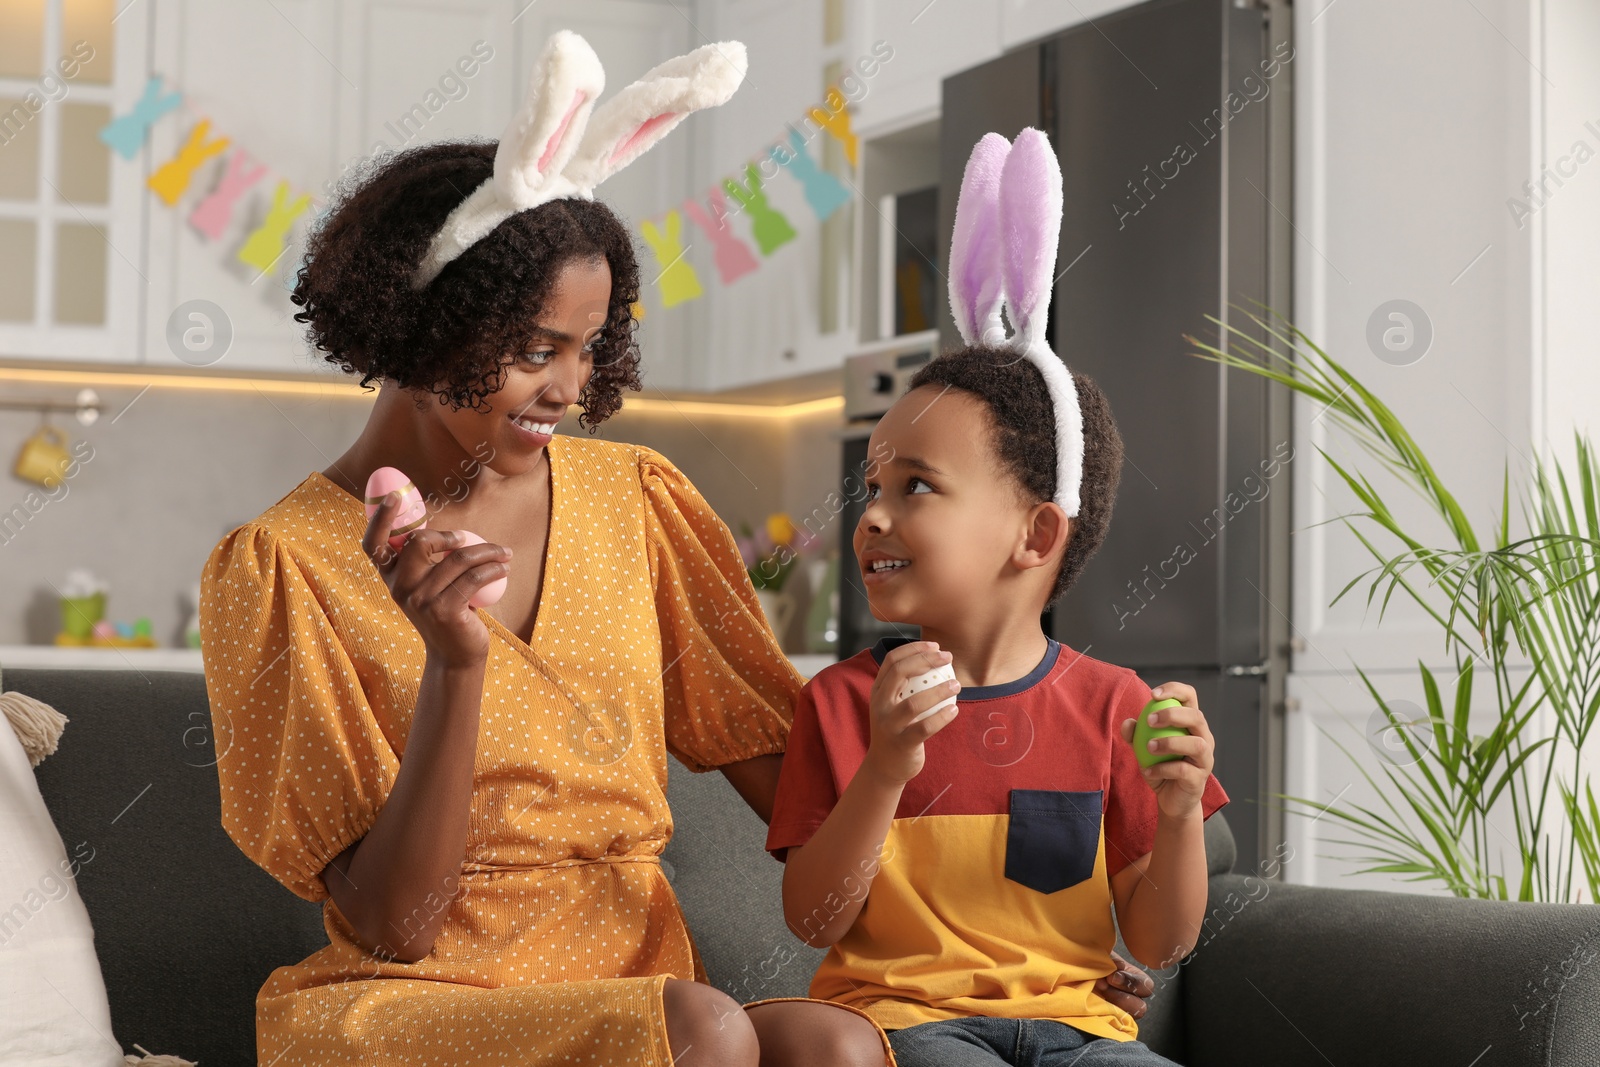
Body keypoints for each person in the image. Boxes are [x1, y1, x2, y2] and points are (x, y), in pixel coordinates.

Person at [197, 31, 908, 1067]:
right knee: (703, 1026)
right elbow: (395, 922)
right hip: (410, 1005)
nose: (571, 389)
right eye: (536, 349)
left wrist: (1021, 928)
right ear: (423, 322)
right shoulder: (284, 565)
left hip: (634, 989)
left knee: (836, 1044)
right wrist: (454, 662)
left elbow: (789, 779)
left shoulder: (638, 500)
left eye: (589, 347)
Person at [763, 129, 1229, 1067]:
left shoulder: (1114, 708)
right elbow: (815, 920)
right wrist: (888, 765)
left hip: (1078, 1030)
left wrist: (1178, 816)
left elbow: (1161, 942)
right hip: (903, 1023)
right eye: (871, 491)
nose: (874, 519)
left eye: (916, 489)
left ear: (1036, 534)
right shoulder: (846, 706)